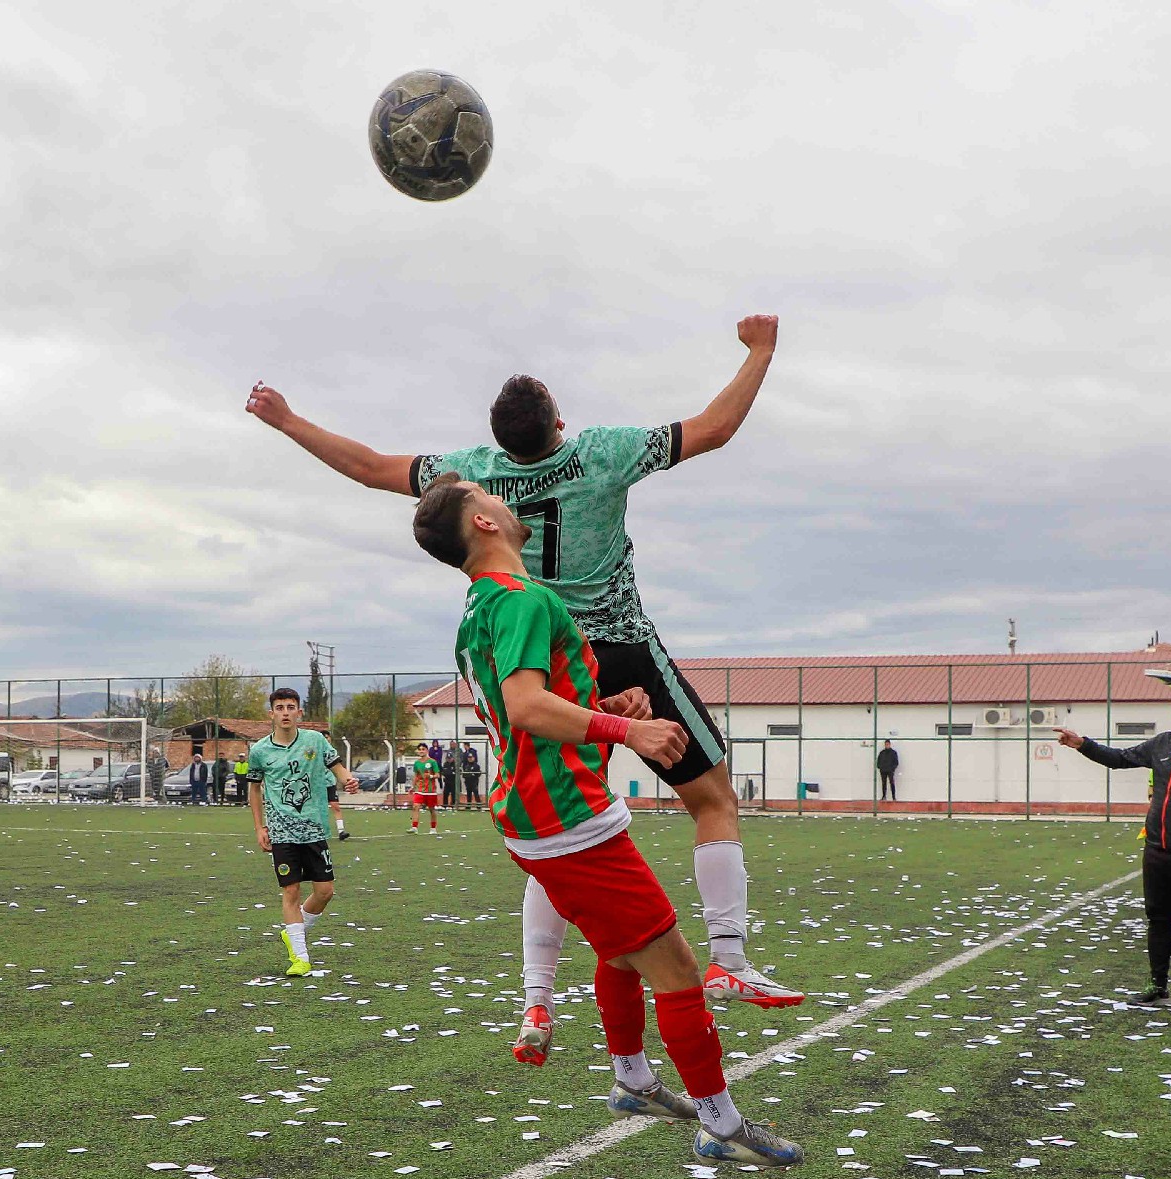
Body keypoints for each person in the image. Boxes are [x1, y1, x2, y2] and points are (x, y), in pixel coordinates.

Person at [248, 312, 805, 1071]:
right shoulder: (602, 452)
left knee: (559, 831)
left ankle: (537, 994)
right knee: (712, 801)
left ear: (497, 443)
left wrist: (287, 422)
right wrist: (761, 351)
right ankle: (730, 959)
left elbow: (374, 466)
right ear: (561, 422)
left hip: (539, 658)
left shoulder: (473, 470)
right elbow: (713, 428)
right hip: (615, 646)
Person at [413, 471, 801, 1167]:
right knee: (678, 968)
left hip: (531, 819)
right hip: (567, 821)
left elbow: (514, 712)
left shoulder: (479, 611)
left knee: (620, 950)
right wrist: (632, 736)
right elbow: (528, 706)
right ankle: (721, 1124)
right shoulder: (523, 599)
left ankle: (633, 1080)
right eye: (488, 496)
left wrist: (606, 707)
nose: (503, 498)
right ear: (485, 525)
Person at [1055, 687, 1171, 1011]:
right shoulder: (1162, 745)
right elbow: (1120, 759)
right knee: (1157, 918)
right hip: (1157, 850)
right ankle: (1157, 985)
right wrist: (1082, 744)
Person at [248, 686, 361, 977]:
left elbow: (337, 767)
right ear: (271, 713)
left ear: (299, 712)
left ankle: (293, 931)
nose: (285, 713)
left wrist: (348, 780)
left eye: (290, 707)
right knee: (292, 890)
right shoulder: (260, 750)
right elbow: (255, 789)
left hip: (313, 829)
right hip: (281, 832)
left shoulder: (315, 741)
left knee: (325, 891)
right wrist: (260, 826)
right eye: (280, 707)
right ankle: (300, 957)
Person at [409, 743, 443, 832]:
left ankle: (433, 828)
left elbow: (438, 775)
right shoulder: (417, 763)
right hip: (419, 789)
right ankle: (414, 827)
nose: (421, 751)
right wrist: (413, 787)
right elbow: (416, 775)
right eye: (419, 749)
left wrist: (431, 776)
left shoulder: (432, 762)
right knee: (416, 806)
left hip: (430, 790)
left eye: (423, 749)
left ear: (427, 751)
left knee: (431, 809)